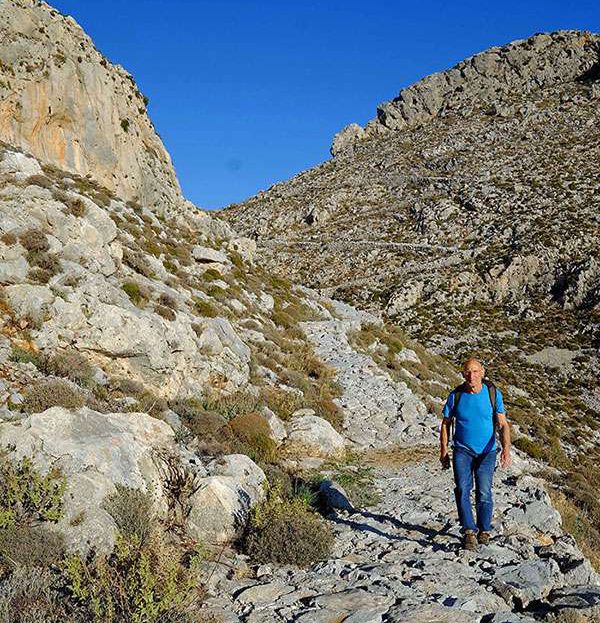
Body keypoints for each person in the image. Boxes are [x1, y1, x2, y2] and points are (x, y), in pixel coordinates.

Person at [439, 358, 511, 550]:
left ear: (483, 372)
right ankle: (469, 531)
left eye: (476, 371)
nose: (472, 376)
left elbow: (503, 424)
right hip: (462, 449)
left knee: (484, 491)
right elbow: (445, 423)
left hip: (487, 452)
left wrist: (506, 449)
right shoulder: (456, 395)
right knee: (463, 488)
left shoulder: (493, 394)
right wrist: (444, 450)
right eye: (468, 372)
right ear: (463, 374)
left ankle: (484, 530)